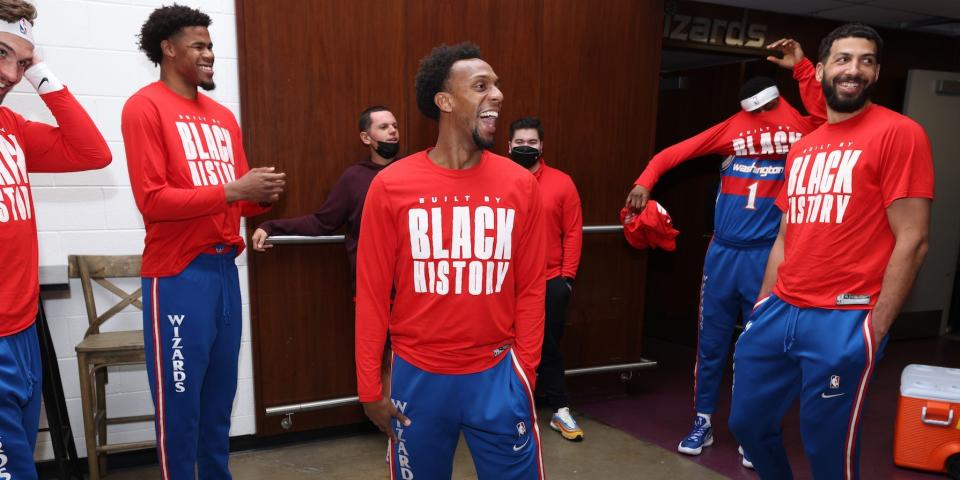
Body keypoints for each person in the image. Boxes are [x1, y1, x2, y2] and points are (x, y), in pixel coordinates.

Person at [728, 24, 933, 480]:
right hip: (780, 310)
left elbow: (913, 239)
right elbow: (785, 235)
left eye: (865, 60)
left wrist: (874, 328)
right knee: (747, 422)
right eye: (843, 59)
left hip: (844, 317)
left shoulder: (900, 133)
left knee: (827, 448)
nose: (853, 70)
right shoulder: (802, 148)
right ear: (822, 70)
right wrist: (761, 307)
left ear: (876, 72)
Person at [624, 46, 825, 466]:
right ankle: (702, 420)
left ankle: (754, 431)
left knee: (760, 349)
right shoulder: (733, 128)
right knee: (712, 343)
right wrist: (645, 181)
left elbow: (830, 118)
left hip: (768, 256)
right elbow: (671, 154)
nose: (763, 115)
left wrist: (805, 70)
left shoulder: (805, 128)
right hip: (723, 253)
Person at [355, 42, 547, 480]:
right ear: (445, 101)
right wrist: (370, 387)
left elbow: (533, 288)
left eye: (496, 85)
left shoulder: (520, 186)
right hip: (417, 378)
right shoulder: (391, 187)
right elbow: (370, 294)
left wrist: (525, 375)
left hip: (499, 375)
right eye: (481, 86)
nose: (496, 95)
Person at [122, 5, 285, 479]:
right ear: (168, 50)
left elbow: (232, 198)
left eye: (211, 45)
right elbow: (153, 200)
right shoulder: (144, 106)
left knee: (218, 404)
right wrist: (236, 190)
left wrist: (261, 199)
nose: (210, 54)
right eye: (199, 45)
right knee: (180, 407)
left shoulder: (222, 117)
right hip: (177, 275)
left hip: (223, 273)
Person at [0, 2, 112, 478]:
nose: (10, 74)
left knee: (23, 460)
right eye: (2, 54)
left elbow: (93, 152)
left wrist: (38, 70)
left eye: (21, 63)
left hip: (22, 330)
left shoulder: (12, 129)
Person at [250, 105, 400, 290]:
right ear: (365, 137)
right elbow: (320, 222)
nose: (393, 131)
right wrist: (270, 227)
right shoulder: (353, 178)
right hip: (371, 289)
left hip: (413, 290)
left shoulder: (412, 173)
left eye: (395, 126)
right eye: (384, 127)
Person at [508, 116, 584, 441]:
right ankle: (510, 410)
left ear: (542, 146)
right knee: (501, 347)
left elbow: (573, 232)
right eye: (519, 143)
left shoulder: (562, 182)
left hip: (549, 281)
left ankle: (559, 409)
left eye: (532, 143)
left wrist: (566, 279)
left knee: (547, 347)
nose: (526, 148)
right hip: (504, 283)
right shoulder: (497, 179)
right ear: (508, 146)